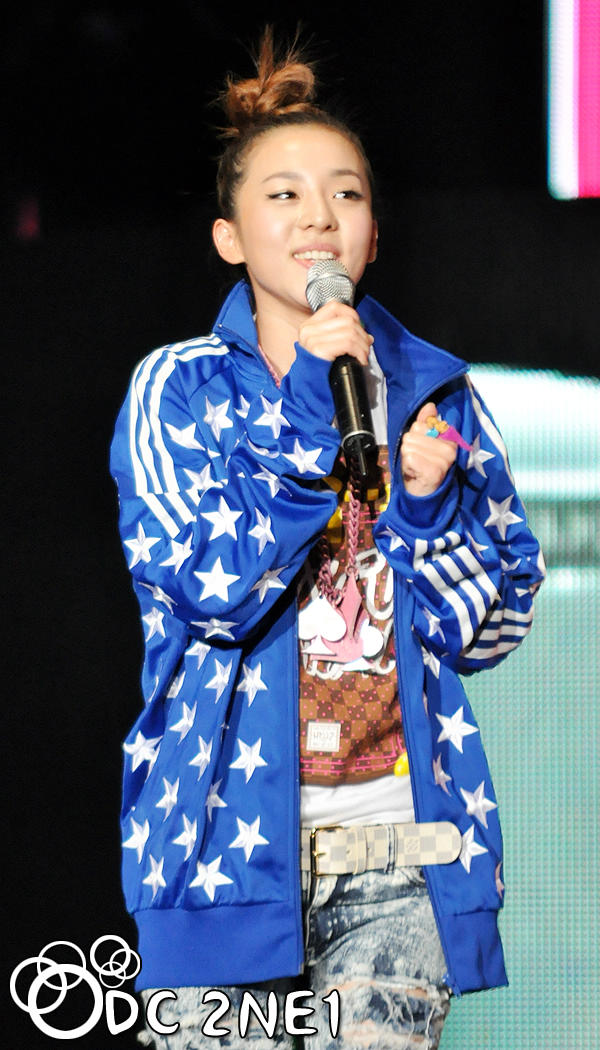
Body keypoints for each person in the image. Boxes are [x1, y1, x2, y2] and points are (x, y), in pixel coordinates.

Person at [110, 28, 545, 1050]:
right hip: (221, 855)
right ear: (229, 237)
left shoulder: (433, 396)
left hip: (402, 853)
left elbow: (490, 626)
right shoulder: (178, 389)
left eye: (346, 194)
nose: (319, 215)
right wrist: (314, 406)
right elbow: (207, 585)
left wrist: (426, 513)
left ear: (373, 236)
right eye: (285, 194)